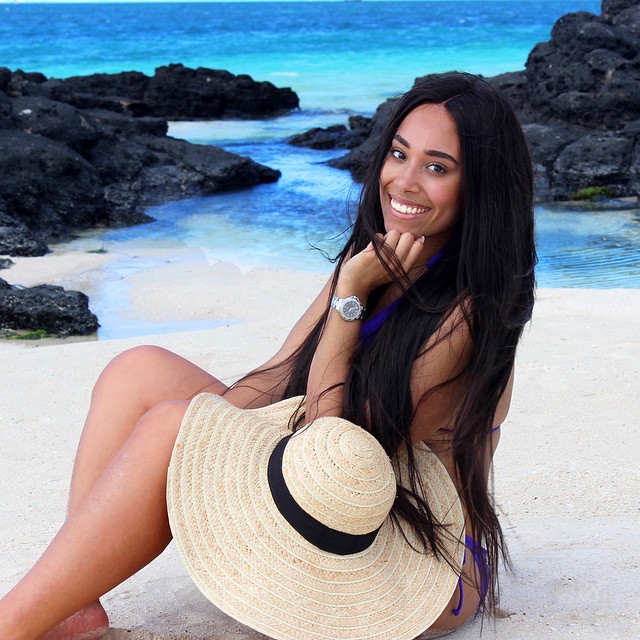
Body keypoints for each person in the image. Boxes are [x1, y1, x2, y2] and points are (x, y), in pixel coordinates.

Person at [0, 70, 536, 640]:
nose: (403, 182)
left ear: (480, 186)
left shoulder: (472, 312)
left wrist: (349, 299)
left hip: (415, 556)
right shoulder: (375, 257)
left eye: (437, 167)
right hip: (321, 486)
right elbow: (282, 373)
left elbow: (337, 446)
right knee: (138, 372)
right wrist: (210, 441)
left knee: (172, 427)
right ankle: (73, 602)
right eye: (399, 154)